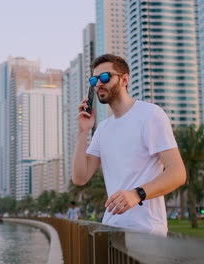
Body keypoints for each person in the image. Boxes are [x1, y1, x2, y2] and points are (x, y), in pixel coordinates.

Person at [72, 54, 186, 237]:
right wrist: (82, 131)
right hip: (111, 230)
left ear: (124, 79)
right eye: (94, 79)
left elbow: (177, 173)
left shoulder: (150, 115)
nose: (98, 83)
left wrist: (136, 194)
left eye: (105, 77)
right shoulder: (103, 129)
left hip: (146, 232)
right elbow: (80, 177)